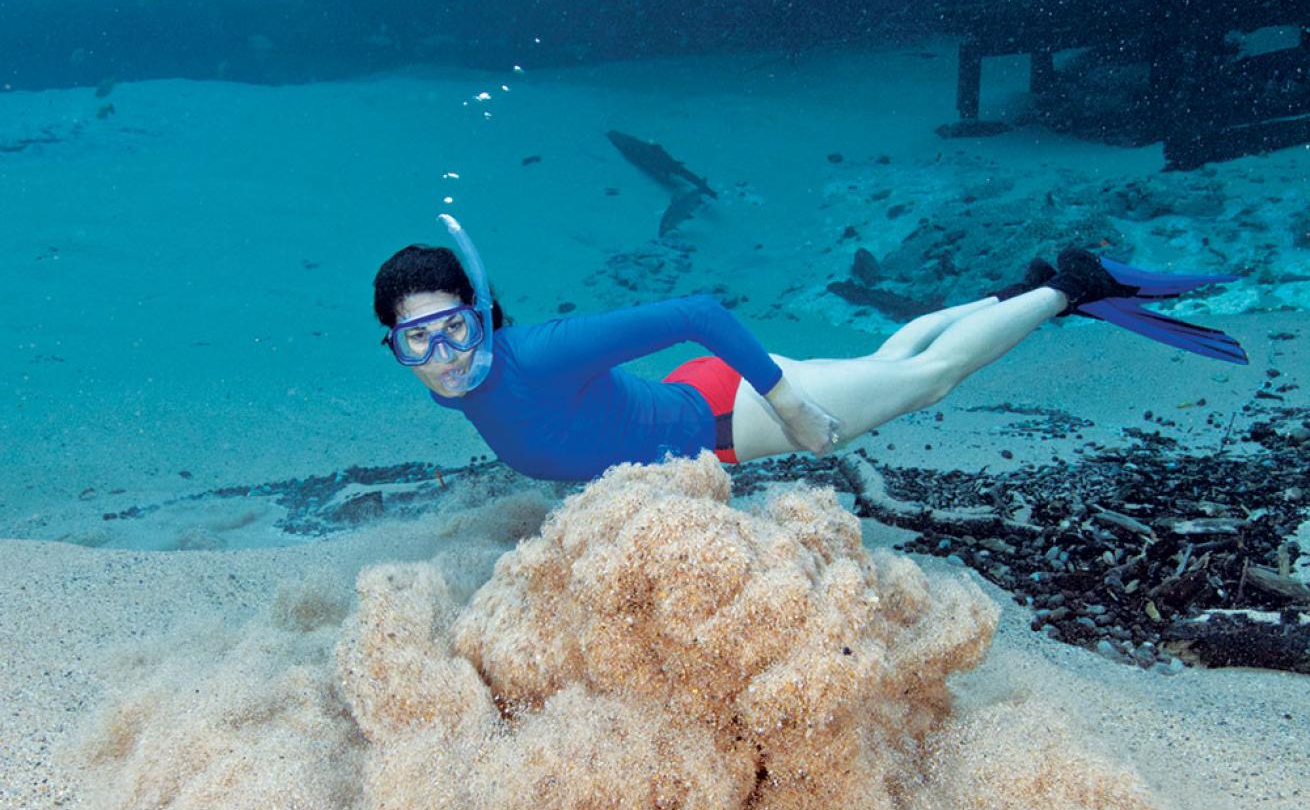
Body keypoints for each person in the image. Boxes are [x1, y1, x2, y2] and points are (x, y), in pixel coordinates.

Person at [373, 215, 1246, 483]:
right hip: (694, 404)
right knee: (883, 363)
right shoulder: (455, 385)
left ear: (483, 314)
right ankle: (1015, 293)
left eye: (455, 326)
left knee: (927, 381)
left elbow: (699, 308)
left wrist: (784, 403)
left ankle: (1071, 290)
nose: (445, 354)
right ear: (398, 350)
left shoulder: (540, 351)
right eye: (420, 342)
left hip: (726, 412)